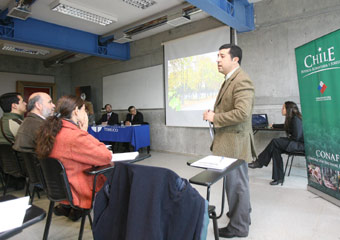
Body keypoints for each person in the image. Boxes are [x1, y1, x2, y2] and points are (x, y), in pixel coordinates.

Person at [203, 44, 255, 238]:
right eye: (217, 55)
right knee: (236, 185)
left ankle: (239, 227)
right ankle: (240, 216)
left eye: (222, 56)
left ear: (235, 60)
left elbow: (242, 113)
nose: (218, 59)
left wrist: (215, 118)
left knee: (237, 186)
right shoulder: (229, 80)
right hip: (230, 142)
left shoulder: (241, 80)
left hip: (235, 144)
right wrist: (214, 114)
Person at [36, 95, 112, 221]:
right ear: (76, 111)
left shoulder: (51, 131)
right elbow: (106, 156)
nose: (86, 114)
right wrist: (84, 131)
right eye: (84, 111)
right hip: (78, 190)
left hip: (59, 190)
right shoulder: (74, 136)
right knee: (119, 176)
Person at [248, 101, 304, 185]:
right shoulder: (292, 119)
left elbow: (297, 137)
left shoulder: (296, 119)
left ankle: (260, 162)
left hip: (299, 145)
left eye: (283, 108)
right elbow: (285, 126)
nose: (282, 110)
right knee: (275, 149)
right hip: (294, 143)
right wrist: (273, 126)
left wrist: (285, 139)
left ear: (288, 109)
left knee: (275, 141)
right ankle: (278, 179)